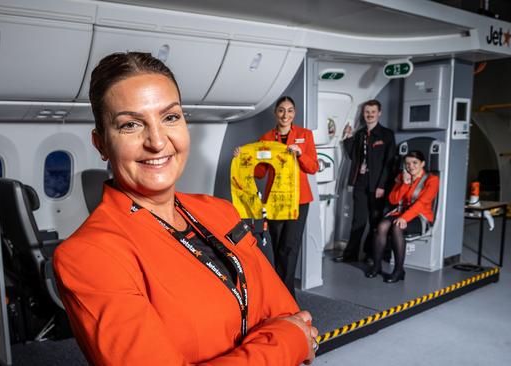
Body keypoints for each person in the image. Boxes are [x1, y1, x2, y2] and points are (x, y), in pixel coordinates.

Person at [53, 52, 318, 365]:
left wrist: (289, 333)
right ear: (101, 144)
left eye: (170, 117)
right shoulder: (89, 256)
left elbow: (290, 313)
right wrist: (286, 341)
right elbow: (296, 332)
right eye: (131, 125)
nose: (157, 141)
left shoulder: (220, 212)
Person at [234, 96, 318, 298]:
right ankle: (282, 292)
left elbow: (313, 167)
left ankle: (286, 295)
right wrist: (242, 159)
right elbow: (261, 172)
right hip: (275, 200)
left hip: (299, 200)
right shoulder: (266, 137)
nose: (285, 115)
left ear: (294, 113)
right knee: (279, 246)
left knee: (291, 246)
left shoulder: (305, 136)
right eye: (281, 110)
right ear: (275, 113)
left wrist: (300, 154)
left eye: (289, 111)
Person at [334, 100, 395, 264]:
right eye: (367, 112)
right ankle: (350, 254)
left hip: (377, 185)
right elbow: (353, 156)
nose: (369, 114)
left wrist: (382, 185)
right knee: (358, 220)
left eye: (373, 112)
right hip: (360, 183)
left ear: (379, 113)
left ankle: (371, 255)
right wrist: (348, 137)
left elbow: (389, 163)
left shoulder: (387, 135)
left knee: (375, 221)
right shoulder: (360, 134)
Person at [365, 151, 439, 283]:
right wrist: (404, 183)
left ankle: (399, 271)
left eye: (415, 163)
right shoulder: (402, 177)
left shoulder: (432, 180)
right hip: (399, 213)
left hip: (420, 216)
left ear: (423, 164)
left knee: (397, 228)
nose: (411, 166)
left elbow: (422, 203)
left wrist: (404, 218)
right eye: (408, 163)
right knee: (381, 226)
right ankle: (376, 266)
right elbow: (393, 200)